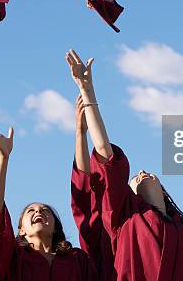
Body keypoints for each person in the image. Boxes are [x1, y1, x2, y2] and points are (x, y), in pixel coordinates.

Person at [66, 49, 183, 281]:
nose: (141, 172)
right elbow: (105, 153)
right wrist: (87, 90)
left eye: (146, 172)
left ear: (164, 190)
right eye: (134, 177)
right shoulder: (124, 217)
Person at [0, 122, 98, 280]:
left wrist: (81, 133)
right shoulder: (13, 258)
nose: (38, 211)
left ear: (56, 227)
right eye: (31, 211)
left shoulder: (77, 260)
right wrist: (3, 159)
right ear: (21, 229)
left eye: (45, 210)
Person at [70, 94, 114, 281]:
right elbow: (84, 188)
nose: (144, 173)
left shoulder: (180, 229)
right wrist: (81, 133)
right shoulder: (104, 235)